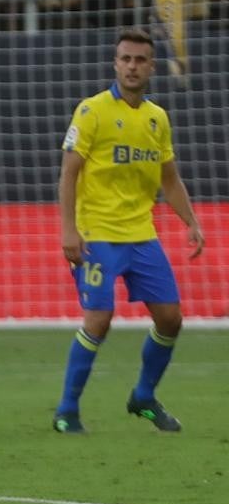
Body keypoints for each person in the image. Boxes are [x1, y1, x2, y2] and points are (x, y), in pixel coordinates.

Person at [51, 29, 204, 435]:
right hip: (96, 234)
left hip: (141, 235)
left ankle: (143, 396)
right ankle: (66, 410)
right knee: (99, 319)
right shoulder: (91, 112)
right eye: (126, 59)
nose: (132, 66)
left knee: (171, 319)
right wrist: (69, 230)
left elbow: (169, 179)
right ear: (116, 63)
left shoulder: (157, 119)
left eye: (140, 60)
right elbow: (69, 173)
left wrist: (190, 221)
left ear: (152, 67)